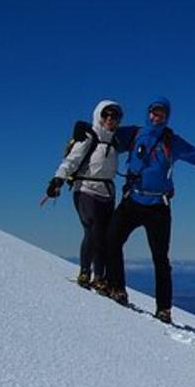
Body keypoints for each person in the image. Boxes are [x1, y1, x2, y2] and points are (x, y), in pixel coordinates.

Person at [104, 96, 195, 324]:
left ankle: (164, 309)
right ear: (148, 112)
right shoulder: (133, 134)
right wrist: (85, 130)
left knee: (160, 259)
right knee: (111, 241)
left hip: (158, 208)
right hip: (132, 200)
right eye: (154, 112)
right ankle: (116, 288)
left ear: (167, 116)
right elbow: (105, 135)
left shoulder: (172, 142)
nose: (156, 117)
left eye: (161, 114)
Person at [45, 100, 133, 292]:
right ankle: (92, 275)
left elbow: (141, 132)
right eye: (106, 115)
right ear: (98, 115)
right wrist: (57, 179)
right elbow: (72, 160)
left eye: (115, 116)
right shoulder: (88, 136)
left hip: (107, 193)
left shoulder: (115, 139)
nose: (110, 119)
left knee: (101, 233)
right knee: (96, 231)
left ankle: (92, 274)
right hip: (85, 188)